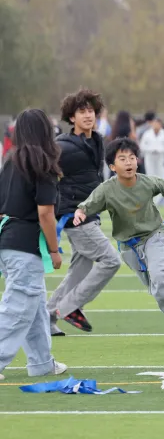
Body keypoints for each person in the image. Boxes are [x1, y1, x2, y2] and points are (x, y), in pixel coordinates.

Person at [72, 138, 164, 343]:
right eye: (122, 159)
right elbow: (86, 206)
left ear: (137, 161)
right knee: (156, 289)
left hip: (153, 236)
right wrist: (79, 214)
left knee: (160, 276)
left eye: (132, 157)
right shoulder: (106, 189)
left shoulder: (147, 182)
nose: (129, 162)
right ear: (113, 166)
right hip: (129, 247)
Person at [0, 108, 69, 380]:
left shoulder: (10, 161)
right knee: (18, 308)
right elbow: (45, 213)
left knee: (35, 306)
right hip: (26, 245)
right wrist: (54, 250)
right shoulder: (43, 165)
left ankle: (42, 362)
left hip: (7, 240)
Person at [48, 89, 121, 336]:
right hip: (74, 215)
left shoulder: (97, 140)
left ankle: (46, 318)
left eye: (91, 110)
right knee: (111, 260)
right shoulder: (61, 146)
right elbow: (44, 175)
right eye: (82, 111)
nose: (88, 115)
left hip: (90, 212)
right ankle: (69, 307)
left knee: (78, 272)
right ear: (71, 117)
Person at [140, 117, 164, 185]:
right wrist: (150, 149)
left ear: (160, 125)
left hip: (160, 156)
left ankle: (161, 191)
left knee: (160, 173)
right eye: (154, 124)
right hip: (150, 156)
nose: (156, 125)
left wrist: (160, 150)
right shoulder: (147, 134)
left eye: (158, 124)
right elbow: (142, 145)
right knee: (150, 173)